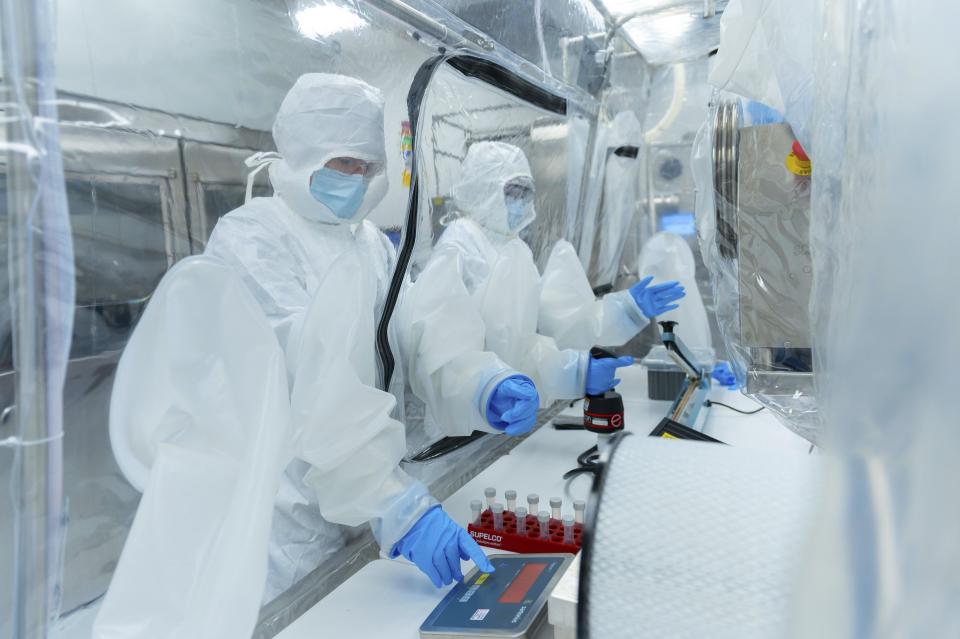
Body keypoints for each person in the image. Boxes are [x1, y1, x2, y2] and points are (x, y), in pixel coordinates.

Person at [203, 74, 540, 594]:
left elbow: (418, 331)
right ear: (304, 153)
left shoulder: (371, 246)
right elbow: (308, 384)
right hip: (290, 518)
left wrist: (480, 382)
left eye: (369, 166)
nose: (359, 179)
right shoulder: (252, 239)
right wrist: (397, 504)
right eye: (345, 164)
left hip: (371, 500)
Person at [432, 141, 685, 403]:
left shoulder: (515, 248)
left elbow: (548, 328)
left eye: (525, 193)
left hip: (513, 403)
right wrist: (487, 388)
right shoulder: (461, 242)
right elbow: (440, 353)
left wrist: (624, 311)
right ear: (483, 187)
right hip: (465, 417)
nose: (519, 202)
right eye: (511, 191)